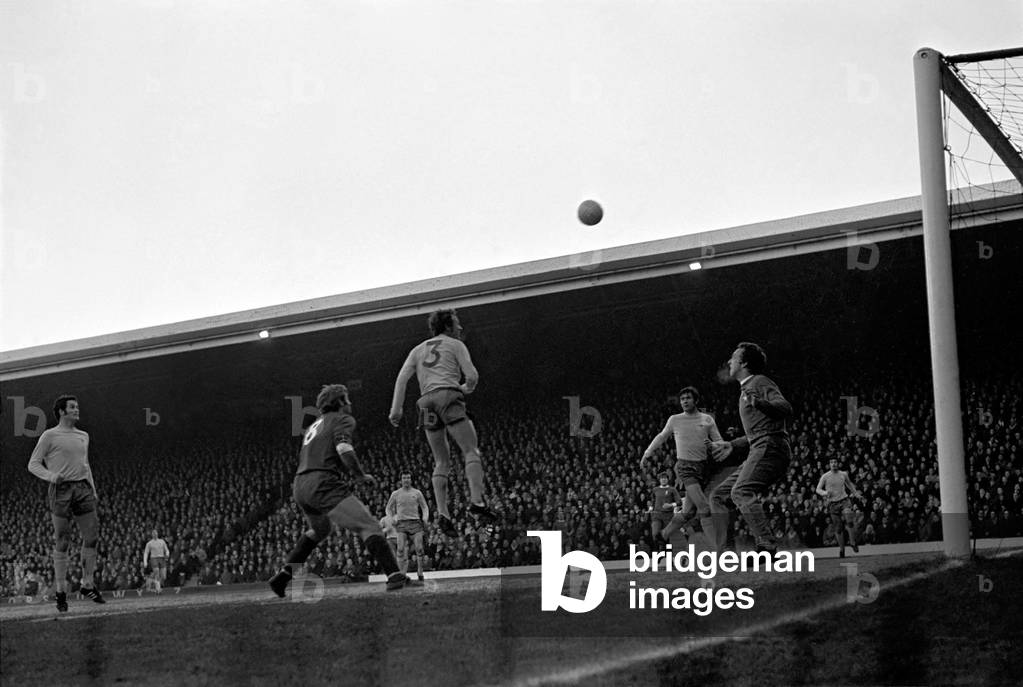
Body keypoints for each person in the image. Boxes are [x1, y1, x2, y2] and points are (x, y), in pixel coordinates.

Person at [269, 384, 409, 597]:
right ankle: (394, 576)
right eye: (347, 399)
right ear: (340, 403)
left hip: (300, 485)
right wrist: (360, 476)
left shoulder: (314, 425)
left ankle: (282, 577)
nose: (350, 403)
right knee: (369, 525)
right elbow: (343, 448)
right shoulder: (343, 419)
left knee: (320, 530)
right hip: (322, 482)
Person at [389, 309, 495, 536]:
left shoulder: (417, 350)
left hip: (425, 403)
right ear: (448, 326)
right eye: (457, 324)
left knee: (441, 461)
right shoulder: (455, 345)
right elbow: (472, 376)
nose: (460, 328)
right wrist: (466, 388)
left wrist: (396, 410)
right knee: (471, 450)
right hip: (447, 396)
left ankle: (443, 513)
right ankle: (477, 501)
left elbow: (401, 379)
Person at [709, 342, 793, 553]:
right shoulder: (746, 389)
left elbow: (785, 407)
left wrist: (759, 403)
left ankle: (767, 545)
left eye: (733, 357)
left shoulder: (758, 382)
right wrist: (732, 444)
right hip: (760, 447)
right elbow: (754, 433)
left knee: (741, 491)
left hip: (770, 448)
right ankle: (725, 551)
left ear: (744, 363)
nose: (729, 361)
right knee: (718, 496)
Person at [27, 394, 105, 612]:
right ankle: (61, 590)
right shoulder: (49, 435)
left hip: (82, 487)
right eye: (72, 407)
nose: (77, 410)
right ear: (62, 411)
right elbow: (33, 464)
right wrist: (52, 476)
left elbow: (85, 464)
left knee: (92, 536)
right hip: (60, 490)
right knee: (62, 538)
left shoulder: (83, 435)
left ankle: (87, 584)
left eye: (77, 406)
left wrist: (93, 488)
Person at [641, 386, 722, 548]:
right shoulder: (675, 419)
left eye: (688, 398)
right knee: (704, 508)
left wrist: (713, 445)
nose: (684, 401)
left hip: (703, 468)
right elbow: (662, 436)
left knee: (688, 512)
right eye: (682, 399)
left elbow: (720, 442)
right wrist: (648, 451)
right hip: (685, 467)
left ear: (696, 400)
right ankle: (719, 550)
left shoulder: (707, 419)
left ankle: (663, 535)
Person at [385, 473, 430, 583]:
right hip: (401, 523)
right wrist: (391, 519)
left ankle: (420, 571)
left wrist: (425, 518)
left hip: (415, 522)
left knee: (419, 549)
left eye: (408, 477)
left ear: (411, 479)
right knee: (400, 550)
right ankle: (401, 574)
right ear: (401, 479)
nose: (406, 480)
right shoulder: (396, 493)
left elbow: (424, 506)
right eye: (404, 478)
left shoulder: (417, 493)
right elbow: (388, 508)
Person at [816, 458, 863, 557]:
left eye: (835, 462)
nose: (833, 464)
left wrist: (856, 494)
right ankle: (842, 550)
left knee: (849, 519)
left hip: (844, 500)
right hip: (833, 504)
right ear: (829, 464)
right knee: (838, 528)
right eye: (831, 462)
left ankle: (852, 542)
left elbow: (849, 484)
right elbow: (818, 489)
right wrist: (825, 493)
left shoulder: (843, 474)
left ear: (838, 464)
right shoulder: (825, 476)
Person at [143, 529, 171, 593]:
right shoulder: (149, 543)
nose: (155, 534)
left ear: (157, 534)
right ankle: (158, 590)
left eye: (156, 533)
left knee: (164, 576)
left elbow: (166, 550)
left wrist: (167, 554)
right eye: (153, 533)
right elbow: (146, 553)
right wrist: (145, 562)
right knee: (157, 572)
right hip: (154, 558)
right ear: (152, 535)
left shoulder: (162, 541)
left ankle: (152, 581)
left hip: (162, 558)